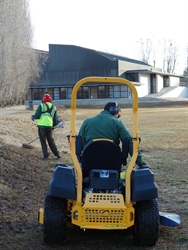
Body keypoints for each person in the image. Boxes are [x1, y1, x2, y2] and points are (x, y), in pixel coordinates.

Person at [78, 102, 146, 167]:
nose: (118, 117)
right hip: (113, 161)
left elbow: (79, 143)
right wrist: (140, 163)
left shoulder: (87, 122)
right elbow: (130, 142)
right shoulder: (118, 123)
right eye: (118, 115)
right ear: (115, 111)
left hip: (89, 161)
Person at [31, 93, 61, 160]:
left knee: (43, 141)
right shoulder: (54, 107)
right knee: (51, 140)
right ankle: (57, 153)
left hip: (41, 126)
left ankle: (46, 156)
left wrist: (32, 116)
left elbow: (37, 116)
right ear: (50, 100)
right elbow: (55, 119)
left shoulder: (41, 106)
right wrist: (53, 125)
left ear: (43, 100)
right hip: (49, 126)